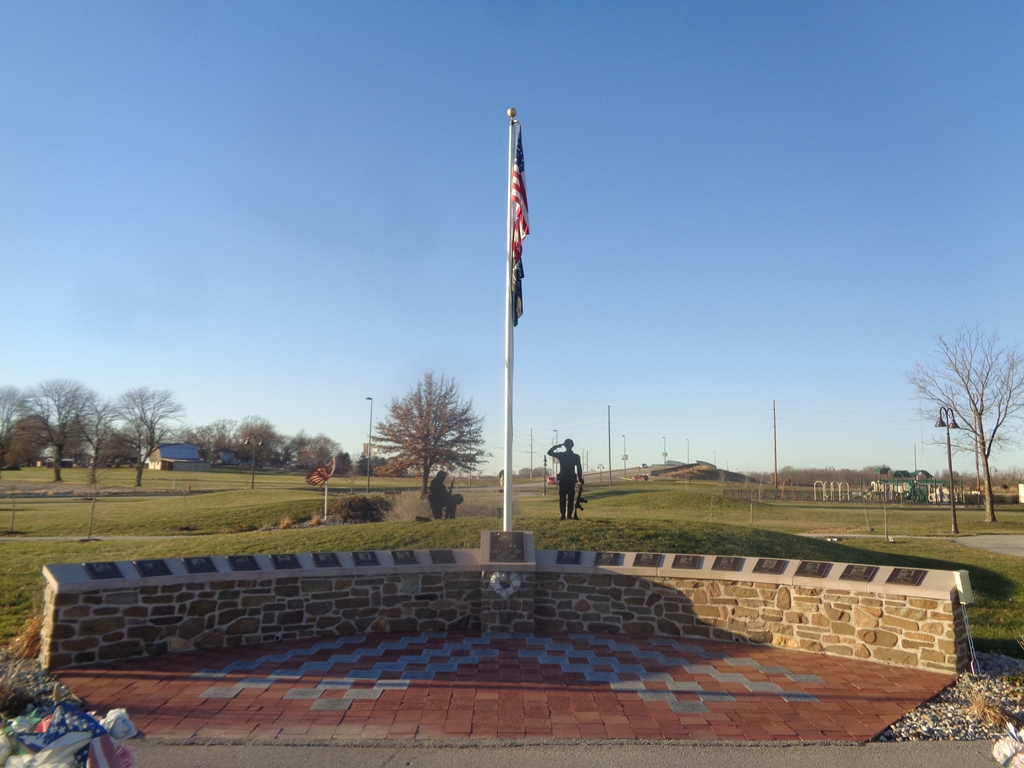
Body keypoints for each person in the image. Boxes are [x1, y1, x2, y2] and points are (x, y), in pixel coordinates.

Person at [547, 439, 584, 520]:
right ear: (572, 445)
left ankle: (563, 514)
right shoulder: (575, 456)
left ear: (565, 446)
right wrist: (580, 478)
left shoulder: (562, 455)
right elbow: (579, 469)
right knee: (570, 498)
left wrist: (557, 446)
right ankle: (569, 515)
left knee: (563, 498)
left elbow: (549, 452)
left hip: (564, 479)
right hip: (570, 479)